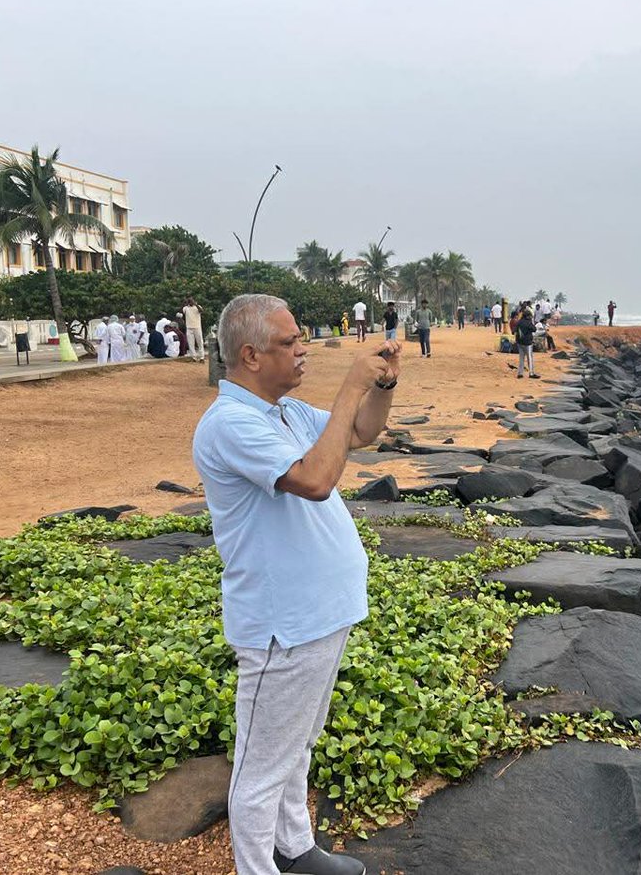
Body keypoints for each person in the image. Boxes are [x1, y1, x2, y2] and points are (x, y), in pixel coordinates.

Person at [192, 293, 400, 875]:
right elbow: (315, 479)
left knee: (295, 747)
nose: (304, 350)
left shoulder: (282, 412)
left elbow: (360, 434)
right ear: (252, 355)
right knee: (261, 768)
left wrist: (380, 387)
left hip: (320, 613)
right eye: (291, 342)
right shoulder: (230, 423)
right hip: (282, 623)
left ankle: (297, 848)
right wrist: (350, 385)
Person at [515, 309, 538, 379]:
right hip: (527, 343)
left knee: (521, 358)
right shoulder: (528, 322)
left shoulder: (519, 322)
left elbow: (515, 330)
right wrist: (532, 322)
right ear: (528, 316)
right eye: (530, 316)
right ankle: (531, 373)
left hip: (519, 342)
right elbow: (534, 329)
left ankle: (520, 373)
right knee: (529, 358)